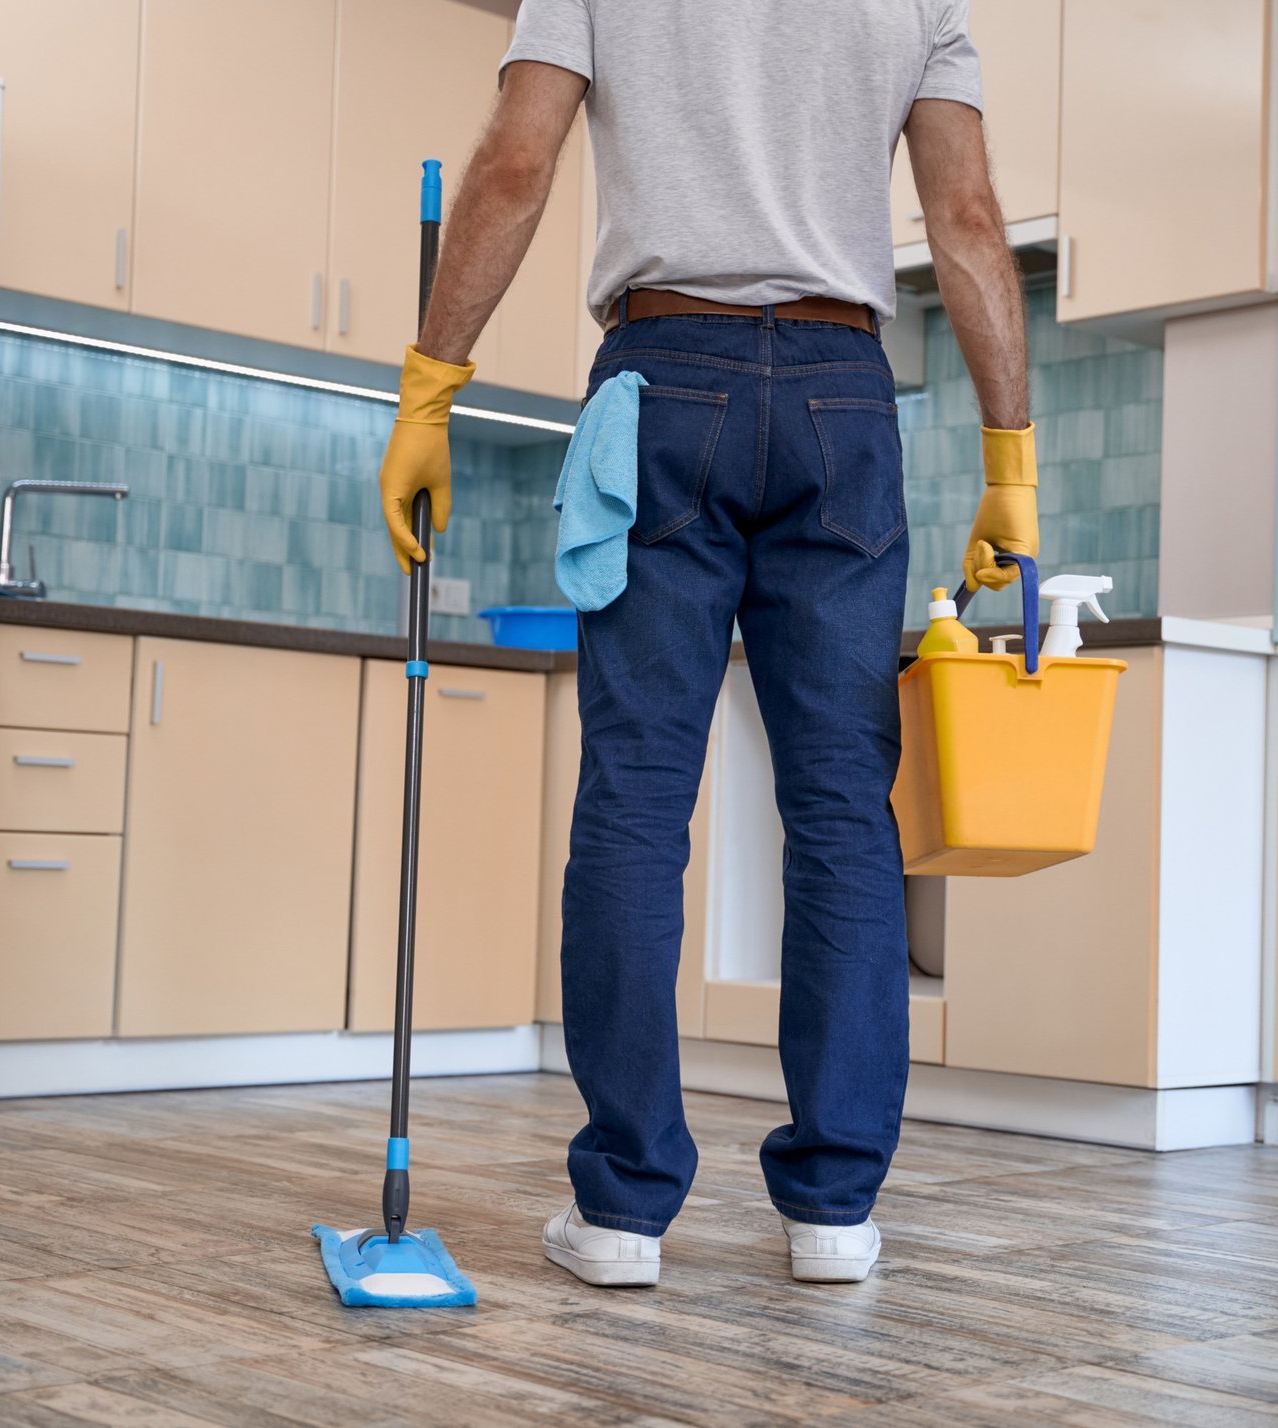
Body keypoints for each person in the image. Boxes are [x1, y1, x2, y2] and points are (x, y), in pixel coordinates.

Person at [377, 0, 1036, 1288]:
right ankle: (835, 1212)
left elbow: (517, 165)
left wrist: (430, 384)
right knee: (843, 808)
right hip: (848, 398)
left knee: (636, 796)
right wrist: (1009, 456)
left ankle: (624, 1211)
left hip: (661, 377)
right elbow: (965, 220)